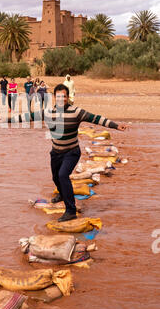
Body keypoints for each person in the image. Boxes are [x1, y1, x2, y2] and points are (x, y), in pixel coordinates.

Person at [46, 84, 128, 222]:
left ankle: (70, 211)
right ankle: (61, 193)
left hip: (71, 152)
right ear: (54, 97)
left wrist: (115, 125)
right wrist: (7, 119)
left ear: (68, 97)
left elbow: (96, 118)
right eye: (59, 96)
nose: (61, 99)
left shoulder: (76, 112)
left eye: (64, 96)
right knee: (55, 177)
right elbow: (28, 116)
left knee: (63, 175)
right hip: (55, 152)